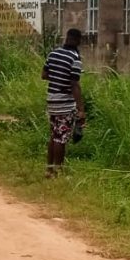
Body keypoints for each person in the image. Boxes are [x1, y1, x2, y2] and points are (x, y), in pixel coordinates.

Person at [41, 28, 87, 179]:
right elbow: (75, 84)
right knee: (61, 138)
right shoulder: (75, 58)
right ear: (78, 40)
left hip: (51, 100)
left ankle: (49, 169)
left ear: (66, 38)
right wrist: (81, 109)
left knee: (54, 135)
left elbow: (44, 74)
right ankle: (58, 171)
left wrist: (57, 78)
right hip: (65, 103)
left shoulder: (53, 53)